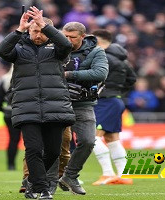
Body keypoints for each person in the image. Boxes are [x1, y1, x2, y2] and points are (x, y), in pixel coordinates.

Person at [0, 6, 75, 199]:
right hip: (26, 107)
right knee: (32, 149)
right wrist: (19, 30)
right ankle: (42, 189)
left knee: (53, 151)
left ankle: (32, 182)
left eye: (41, 31)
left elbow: (66, 45)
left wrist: (45, 26)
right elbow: (1, 50)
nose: (37, 35)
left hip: (54, 107)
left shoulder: (57, 51)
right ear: (29, 32)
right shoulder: (19, 51)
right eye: (34, 31)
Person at [58, 22, 109, 195]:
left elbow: (100, 73)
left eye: (72, 37)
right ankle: (44, 181)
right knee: (52, 144)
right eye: (65, 36)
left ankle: (70, 175)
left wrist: (69, 74)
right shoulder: (54, 48)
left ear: (82, 37)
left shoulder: (96, 51)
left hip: (83, 104)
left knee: (87, 141)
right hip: (56, 103)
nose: (67, 40)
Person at [90, 29, 137, 185]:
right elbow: (132, 79)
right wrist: (117, 91)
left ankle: (108, 173)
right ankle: (124, 175)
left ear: (99, 41)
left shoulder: (103, 57)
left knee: (91, 137)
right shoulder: (123, 59)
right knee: (112, 139)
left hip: (104, 101)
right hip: (116, 100)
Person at [0, 66, 21, 171]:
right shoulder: (28, 77)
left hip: (10, 113)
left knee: (13, 140)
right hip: (27, 111)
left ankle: (11, 165)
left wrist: (4, 109)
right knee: (32, 140)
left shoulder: (5, 79)